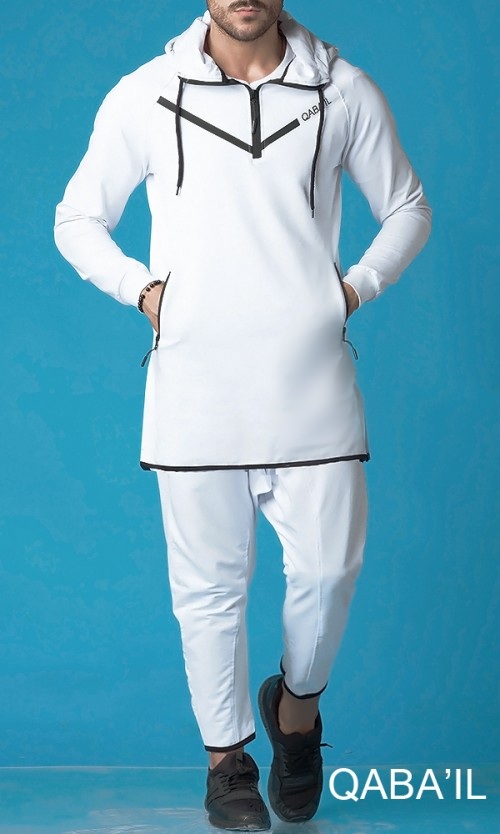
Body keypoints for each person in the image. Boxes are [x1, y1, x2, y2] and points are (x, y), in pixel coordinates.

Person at [54, 1, 431, 829]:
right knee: (209, 589)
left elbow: (407, 206)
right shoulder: (147, 92)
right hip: (196, 386)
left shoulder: (343, 90)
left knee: (328, 573)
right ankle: (226, 762)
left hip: (311, 381)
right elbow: (77, 218)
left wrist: (350, 291)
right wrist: (143, 292)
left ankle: (297, 710)